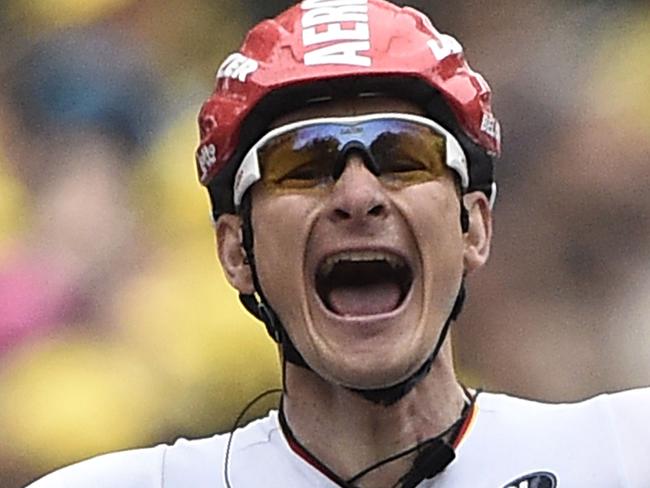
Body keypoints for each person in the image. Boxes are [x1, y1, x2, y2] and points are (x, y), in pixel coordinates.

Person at [28, 1, 650, 487]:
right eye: (303, 162)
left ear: (475, 227)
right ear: (235, 253)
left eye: (404, 155)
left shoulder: (626, 454)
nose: (358, 195)